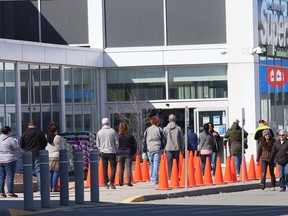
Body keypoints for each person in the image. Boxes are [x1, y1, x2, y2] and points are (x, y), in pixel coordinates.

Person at [20, 120, 47, 191]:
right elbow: (45, 143)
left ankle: (28, 189)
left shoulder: (24, 133)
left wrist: (26, 148)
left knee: (28, 171)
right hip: (38, 152)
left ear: (28, 125)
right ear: (35, 125)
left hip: (28, 153)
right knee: (38, 170)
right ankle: (41, 189)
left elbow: (21, 144)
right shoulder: (40, 132)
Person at [96, 117, 119, 189]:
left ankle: (106, 183)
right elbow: (117, 142)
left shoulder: (99, 132)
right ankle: (111, 181)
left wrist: (100, 149)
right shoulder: (112, 131)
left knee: (104, 168)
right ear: (109, 123)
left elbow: (97, 143)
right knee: (113, 167)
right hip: (112, 151)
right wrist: (115, 149)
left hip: (103, 152)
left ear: (102, 123)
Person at [142, 116, 164, 185]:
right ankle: (155, 179)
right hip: (157, 147)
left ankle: (152, 178)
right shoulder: (159, 129)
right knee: (156, 164)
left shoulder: (147, 129)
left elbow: (144, 140)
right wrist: (162, 147)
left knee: (151, 164)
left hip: (149, 148)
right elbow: (163, 139)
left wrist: (144, 149)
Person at [0, 126, 20, 198]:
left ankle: (1, 192)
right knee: (9, 176)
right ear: (8, 132)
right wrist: (16, 141)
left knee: (1, 176)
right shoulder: (11, 139)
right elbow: (16, 148)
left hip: (0, 159)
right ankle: (10, 192)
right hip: (9, 159)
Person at [163, 114, 185, 179]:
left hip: (168, 148)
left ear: (169, 120)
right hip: (176, 147)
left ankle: (170, 176)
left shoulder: (165, 129)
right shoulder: (178, 128)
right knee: (176, 163)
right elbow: (181, 139)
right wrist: (182, 148)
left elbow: (163, 139)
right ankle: (175, 175)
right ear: (175, 120)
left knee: (169, 163)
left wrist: (163, 148)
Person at [45, 122, 65, 192]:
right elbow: (62, 147)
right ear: (56, 129)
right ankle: (54, 187)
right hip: (56, 155)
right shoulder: (58, 137)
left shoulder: (46, 136)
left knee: (49, 171)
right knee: (56, 171)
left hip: (48, 155)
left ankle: (49, 187)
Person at [117, 123, 137, 187]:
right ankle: (128, 182)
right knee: (128, 168)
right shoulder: (130, 136)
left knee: (121, 168)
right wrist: (133, 153)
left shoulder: (118, 136)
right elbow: (134, 145)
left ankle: (120, 182)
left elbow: (116, 145)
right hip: (128, 153)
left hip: (120, 153)